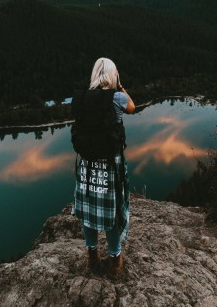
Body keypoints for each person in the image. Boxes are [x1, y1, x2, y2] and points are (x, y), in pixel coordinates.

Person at [71, 57, 135, 276]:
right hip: (110, 163)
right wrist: (122, 87)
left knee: (89, 209)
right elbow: (132, 108)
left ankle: (92, 257)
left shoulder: (80, 98)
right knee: (112, 211)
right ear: (112, 74)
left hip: (87, 164)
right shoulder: (116, 97)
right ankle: (115, 259)